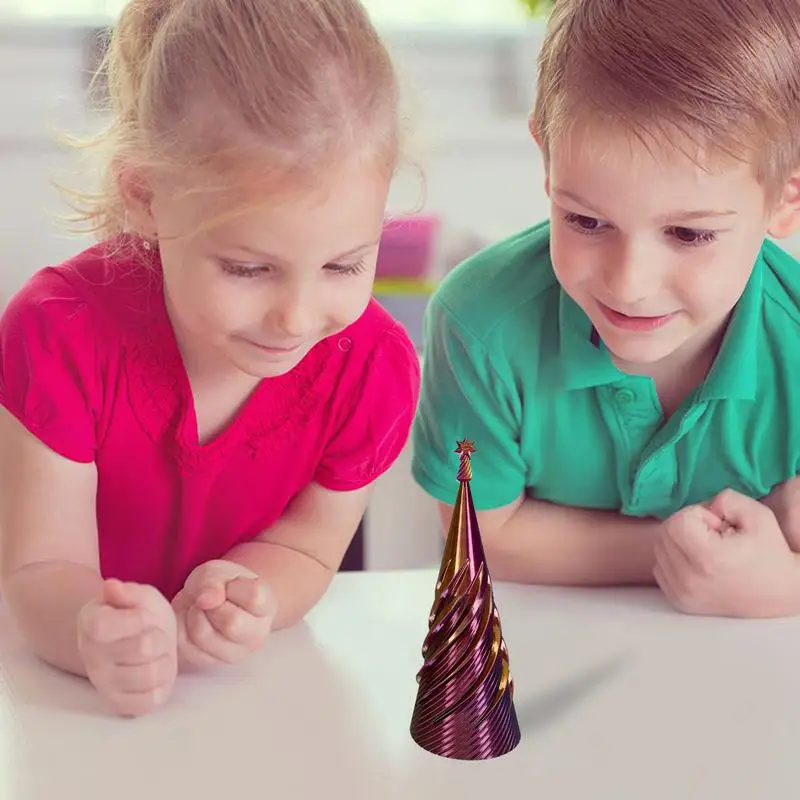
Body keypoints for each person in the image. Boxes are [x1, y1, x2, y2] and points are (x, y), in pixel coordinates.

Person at [0, 0, 420, 717]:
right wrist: (90, 632)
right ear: (147, 196)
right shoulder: (58, 333)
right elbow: (40, 568)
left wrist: (250, 593)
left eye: (345, 266)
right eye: (249, 269)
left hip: (251, 711)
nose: (296, 317)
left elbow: (313, 549)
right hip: (61, 714)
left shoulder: (371, 367)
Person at [411, 0, 800, 620]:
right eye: (587, 220)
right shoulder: (478, 324)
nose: (630, 283)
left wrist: (785, 588)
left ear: (786, 197)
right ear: (546, 157)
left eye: (689, 234)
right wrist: (673, 552)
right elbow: (486, 539)